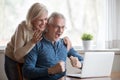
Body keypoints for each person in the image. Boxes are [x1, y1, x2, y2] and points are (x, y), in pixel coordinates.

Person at [5, 2, 71, 80]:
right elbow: (17, 55)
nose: (44, 23)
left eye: (46, 19)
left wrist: (66, 39)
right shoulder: (22, 28)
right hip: (13, 59)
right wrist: (32, 42)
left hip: (28, 59)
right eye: (40, 20)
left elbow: (54, 33)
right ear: (32, 19)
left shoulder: (44, 26)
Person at [22, 12, 83, 80]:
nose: (60, 31)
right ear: (47, 26)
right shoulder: (36, 44)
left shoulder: (65, 43)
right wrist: (50, 70)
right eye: (57, 27)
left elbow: (85, 63)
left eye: (63, 27)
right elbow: (26, 71)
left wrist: (79, 64)